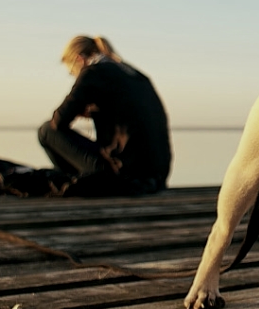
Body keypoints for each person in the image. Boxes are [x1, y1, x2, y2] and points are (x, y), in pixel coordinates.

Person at [38, 36, 172, 196]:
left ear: (79, 59)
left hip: (123, 176)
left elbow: (58, 121)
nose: (74, 76)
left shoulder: (93, 71)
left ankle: (78, 181)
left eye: (71, 72)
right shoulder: (135, 74)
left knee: (46, 131)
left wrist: (80, 108)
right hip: (157, 177)